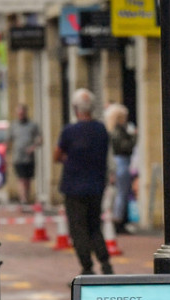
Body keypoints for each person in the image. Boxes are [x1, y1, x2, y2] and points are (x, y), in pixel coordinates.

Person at [54, 88, 113, 276]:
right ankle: (105, 263)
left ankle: (87, 267)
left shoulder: (70, 131)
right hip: (96, 185)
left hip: (73, 187)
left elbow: (57, 154)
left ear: (75, 108)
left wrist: (69, 159)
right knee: (95, 224)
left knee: (78, 228)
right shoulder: (101, 129)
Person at [104, 103, 136, 233]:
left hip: (120, 163)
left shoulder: (115, 130)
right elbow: (125, 147)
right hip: (121, 163)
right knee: (121, 194)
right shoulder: (118, 131)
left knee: (120, 194)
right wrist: (134, 137)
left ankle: (118, 220)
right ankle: (118, 221)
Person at [8, 104, 43, 207]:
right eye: (19, 114)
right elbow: (9, 141)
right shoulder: (13, 125)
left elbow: (40, 139)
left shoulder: (33, 125)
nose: (21, 115)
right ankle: (23, 199)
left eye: (22, 113)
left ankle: (26, 197)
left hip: (29, 158)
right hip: (18, 157)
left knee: (27, 179)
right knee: (21, 179)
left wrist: (33, 147)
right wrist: (8, 155)